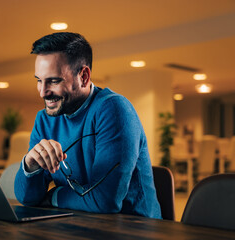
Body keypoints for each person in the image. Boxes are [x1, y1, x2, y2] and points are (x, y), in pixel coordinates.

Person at [14, 32, 162, 219]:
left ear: (84, 76)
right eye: (39, 80)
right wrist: (30, 164)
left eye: (54, 80)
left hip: (133, 229)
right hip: (76, 224)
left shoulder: (114, 110)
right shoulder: (44, 119)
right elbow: (27, 198)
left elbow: (106, 200)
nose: (43, 92)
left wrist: (53, 196)